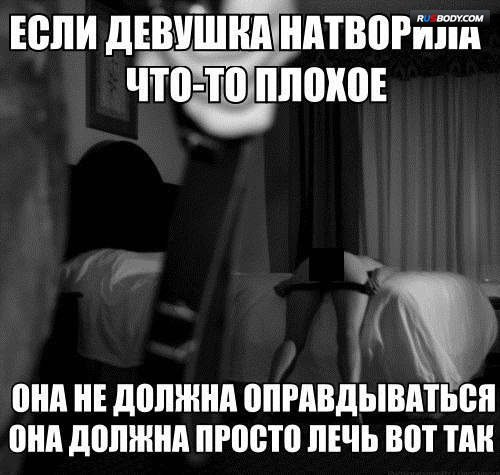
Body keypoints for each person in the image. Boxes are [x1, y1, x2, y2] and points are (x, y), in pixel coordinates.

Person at [268, 252, 395, 384]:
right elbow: (386, 271)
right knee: (348, 334)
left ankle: (271, 388)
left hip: (316, 261)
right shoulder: (370, 263)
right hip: (345, 265)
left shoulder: (355, 258)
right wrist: (376, 280)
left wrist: (291, 282)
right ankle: (351, 393)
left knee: (292, 338)